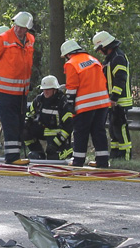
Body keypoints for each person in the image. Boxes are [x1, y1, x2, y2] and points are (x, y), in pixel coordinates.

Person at [0, 11, 36, 164]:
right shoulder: (3, 39)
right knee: (10, 124)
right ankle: (12, 157)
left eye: (22, 28)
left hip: (21, 91)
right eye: (17, 26)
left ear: (27, 29)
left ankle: (16, 155)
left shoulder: (30, 40)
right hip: (5, 91)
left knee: (20, 123)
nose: (19, 30)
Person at [61, 39, 111, 168]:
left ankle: (78, 161)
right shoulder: (93, 59)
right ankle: (102, 161)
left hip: (85, 104)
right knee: (98, 131)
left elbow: (72, 86)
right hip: (102, 103)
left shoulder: (72, 63)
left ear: (67, 54)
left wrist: (70, 103)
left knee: (80, 132)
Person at [93, 31, 133, 160]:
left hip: (120, 101)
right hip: (112, 101)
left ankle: (126, 157)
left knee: (120, 129)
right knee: (113, 130)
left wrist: (114, 98)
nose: (100, 52)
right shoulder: (111, 58)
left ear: (105, 46)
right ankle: (116, 155)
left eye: (100, 49)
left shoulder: (118, 57)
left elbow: (120, 79)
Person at [23, 75, 73, 160]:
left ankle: (70, 150)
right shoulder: (39, 100)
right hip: (44, 129)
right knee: (24, 130)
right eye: (44, 89)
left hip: (57, 134)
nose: (45, 92)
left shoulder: (62, 103)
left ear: (55, 89)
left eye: (48, 89)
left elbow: (68, 126)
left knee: (52, 157)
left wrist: (56, 143)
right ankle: (38, 153)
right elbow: (29, 113)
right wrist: (27, 121)